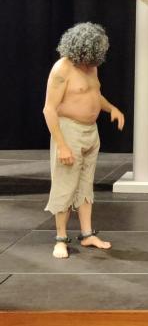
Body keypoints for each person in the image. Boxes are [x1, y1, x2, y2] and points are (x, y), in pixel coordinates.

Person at [42, 22, 125, 259]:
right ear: (82, 48)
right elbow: (49, 109)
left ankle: (87, 234)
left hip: (91, 132)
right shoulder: (62, 69)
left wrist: (111, 108)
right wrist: (62, 145)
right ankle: (60, 239)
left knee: (86, 186)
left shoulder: (91, 67)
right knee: (65, 185)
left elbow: (94, 95)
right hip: (69, 131)